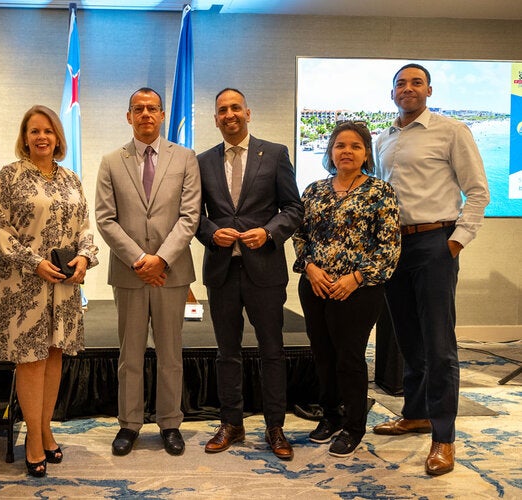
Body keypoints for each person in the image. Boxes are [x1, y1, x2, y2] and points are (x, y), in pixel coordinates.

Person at [373, 63, 490, 475]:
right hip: (394, 247)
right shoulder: (383, 138)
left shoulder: (452, 131)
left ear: (429, 90)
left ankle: (443, 436)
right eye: (401, 84)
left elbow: (478, 192)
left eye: (416, 83)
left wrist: (456, 242)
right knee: (409, 339)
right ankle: (416, 412)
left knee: (440, 344)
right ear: (392, 94)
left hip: (435, 243)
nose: (408, 89)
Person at [0, 105, 98, 477]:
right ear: (25, 137)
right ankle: (33, 438)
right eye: (34, 131)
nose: (41, 137)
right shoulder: (9, 177)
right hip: (22, 284)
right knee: (31, 360)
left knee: (54, 355)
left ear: (57, 137)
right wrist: (34, 262)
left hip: (64, 286)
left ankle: (46, 427)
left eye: (48, 131)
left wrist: (84, 257)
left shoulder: (71, 179)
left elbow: (84, 225)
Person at [195, 88, 303, 460]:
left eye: (235, 108)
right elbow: (193, 216)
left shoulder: (274, 154)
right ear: (215, 118)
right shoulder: (202, 161)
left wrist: (270, 232)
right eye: (222, 110)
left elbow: (293, 207)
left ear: (248, 112)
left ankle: (276, 427)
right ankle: (232, 423)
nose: (229, 114)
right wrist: (211, 233)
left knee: (272, 350)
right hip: (222, 271)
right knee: (227, 353)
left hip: (265, 270)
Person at [95, 87, 201, 457]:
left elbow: (190, 217)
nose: (145, 114)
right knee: (131, 353)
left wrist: (162, 260)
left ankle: (171, 423)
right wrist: (141, 259)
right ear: (128, 116)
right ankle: (129, 424)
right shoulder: (111, 161)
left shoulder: (185, 158)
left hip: (171, 273)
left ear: (162, 114)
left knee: (171, 352)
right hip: (130, 273)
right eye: (137, 109)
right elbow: (105, 219)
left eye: (152, 108)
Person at [293, 121, 400, 458]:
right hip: (315, 286)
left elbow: (390, 248)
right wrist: (310, 268)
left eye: (355, 146)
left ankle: (354, 425)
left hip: (359, 291)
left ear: (366, 153)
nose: (347, 152)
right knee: (322, 355)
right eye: (340, 145)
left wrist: (355, 278)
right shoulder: (313, 191)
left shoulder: (380, 192)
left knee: (349, 358)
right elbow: (300, 237)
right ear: (331, 152)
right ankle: (331, 416)